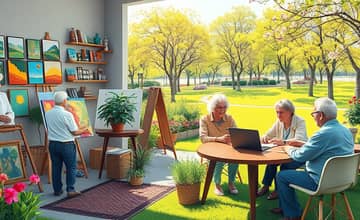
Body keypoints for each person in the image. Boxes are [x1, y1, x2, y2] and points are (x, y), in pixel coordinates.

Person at [271, 97, 354, 220]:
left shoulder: (322, 134)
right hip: (343, 180)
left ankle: (292, 215)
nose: (313, 117)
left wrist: (286, 147)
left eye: (313, 113)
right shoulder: (345, 130)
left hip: (320, 181)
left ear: (320, 115)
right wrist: (303, 144)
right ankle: (286, 208)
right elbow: (326, 147)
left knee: (281, 176)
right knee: (285, 173)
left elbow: (300, 156)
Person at [257, 99, 308, 200]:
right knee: (271, 162)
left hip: (298, 154)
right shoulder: (279, 122)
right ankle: (266, 186)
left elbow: (299, 140)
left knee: (285, 165)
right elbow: (268, 134)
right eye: (277, 112)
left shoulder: (300, 121)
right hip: (284, 152)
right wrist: (264, 137)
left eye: (281, 112)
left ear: (290, 112)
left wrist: (283, 142)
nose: (278, 115)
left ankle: (278, 190)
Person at [45, 91, 88, 197]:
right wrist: (85, 129)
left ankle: (57, 190)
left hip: (53, 145)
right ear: (64, 101)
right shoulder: (67, 114)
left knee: (56, 167)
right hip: (66, 145)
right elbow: (74, 132)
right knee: (71, 167)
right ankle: (71, 190)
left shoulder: (48, 113)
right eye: (67, 100)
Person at [199, 93, 239, 196]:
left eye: (224, 107)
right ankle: (217, 184)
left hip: (227, 149)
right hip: (211, 150)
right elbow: (203, 138)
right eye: (219, 107)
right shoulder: (205, 119)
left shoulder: (229, 118)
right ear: (212, 108)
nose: (222, 110)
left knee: (235, 158)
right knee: (219, 160)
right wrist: (219, 139)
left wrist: (234, 138)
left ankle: (231, 182)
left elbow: (238, 134)